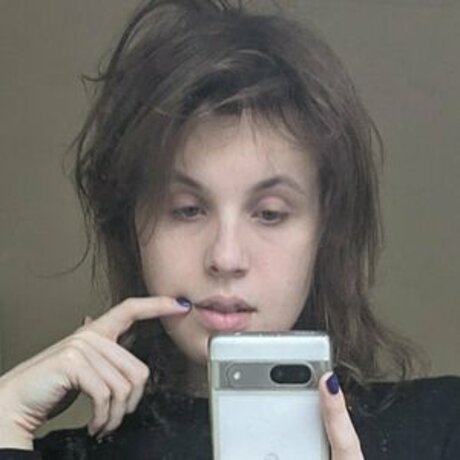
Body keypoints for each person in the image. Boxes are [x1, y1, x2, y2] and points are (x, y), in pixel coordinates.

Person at [0, 0, 458, 459]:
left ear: (326, 231)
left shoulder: (443, 430)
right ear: (130, 225)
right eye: (187, 210)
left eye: (270, 214)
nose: (226, 257)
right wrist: (5, 420)